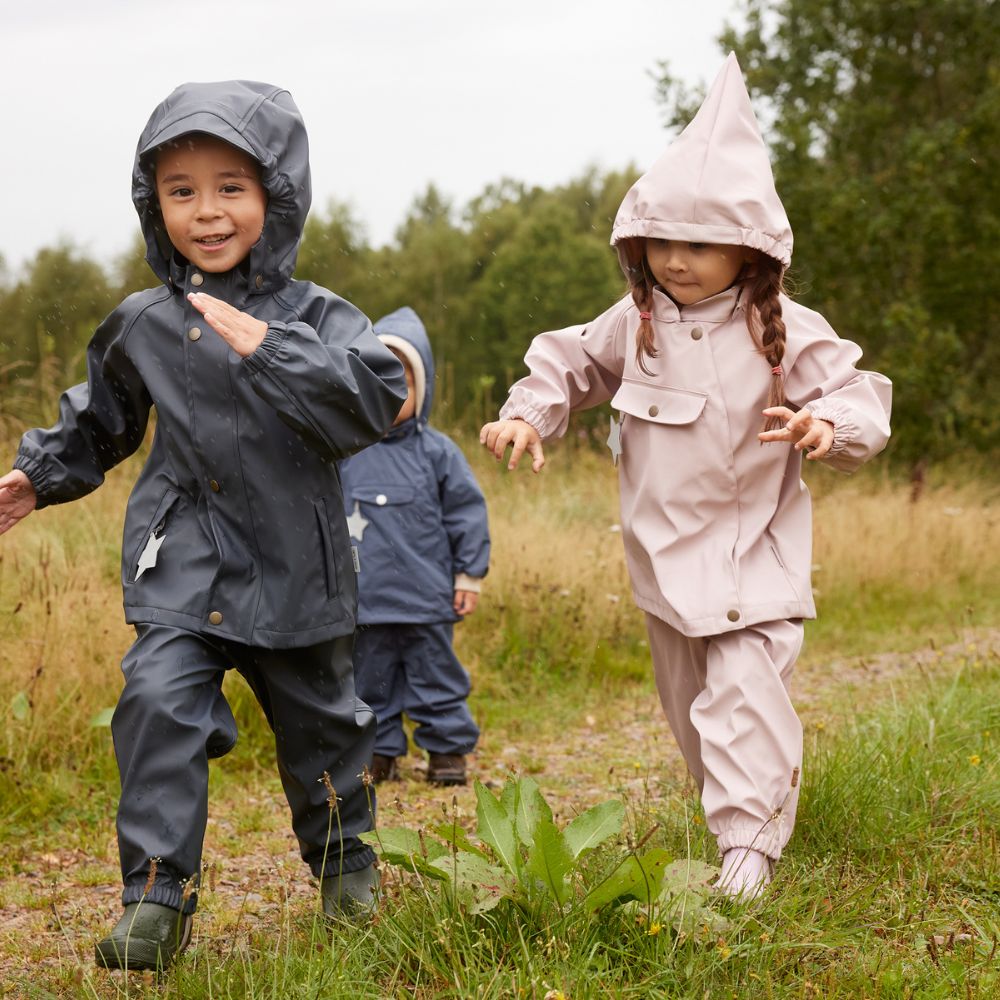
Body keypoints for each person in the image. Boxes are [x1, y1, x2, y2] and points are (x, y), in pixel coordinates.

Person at [0, 81, 407, 970]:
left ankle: (346, 868)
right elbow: (99, 417)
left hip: (299, 567)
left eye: (231, 187)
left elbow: (369, 403)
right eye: (180, 191)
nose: (207, 212)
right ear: (155, 208)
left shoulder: (323, 317)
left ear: (277, 197)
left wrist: (271, 348)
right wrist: (36, 476)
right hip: (180, 565)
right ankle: (154, 896)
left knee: (325, 728)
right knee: (154, 702)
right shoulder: (146, 321)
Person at [480, 54, 892, 900]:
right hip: (663, 564)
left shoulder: (783, 327)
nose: (676, 259)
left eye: (701, 243)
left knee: (743, 693)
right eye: (660, 240)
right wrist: (528, 412)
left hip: (755, 558)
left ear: (750, 249)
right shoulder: (634, 325)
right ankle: (740, 814)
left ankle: (748, 852)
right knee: (697, 713)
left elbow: (861, 397)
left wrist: (826, 422)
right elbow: (565, 364)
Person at [339, 307, 489, 787]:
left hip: (427, 598)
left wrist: (469, 575)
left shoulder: (438, 452)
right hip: (366, 598)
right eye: (377, 374)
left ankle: (446, 750)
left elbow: (466, 513)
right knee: (369, 680)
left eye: (401, 375)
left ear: (421, 386)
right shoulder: (343, 451)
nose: (390, 387)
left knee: (436, 678)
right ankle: (378, 752)